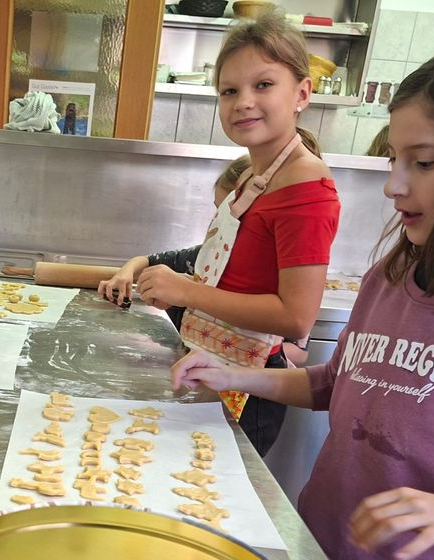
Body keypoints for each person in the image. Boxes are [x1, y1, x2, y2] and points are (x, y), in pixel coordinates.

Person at [170, 52, 434, 560]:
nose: (393, 185)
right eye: (392, 162)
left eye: (424, 162)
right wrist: (235, 376)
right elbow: (335, 382)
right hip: (327, 556)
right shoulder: (391, 275)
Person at [101, 13, 340, 455]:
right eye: (229, 91)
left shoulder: (308, 188)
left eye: (263, 85)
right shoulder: (254, 177)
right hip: (207, 365)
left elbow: (295, 318)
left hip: (246, 391)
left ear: (302, 93)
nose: (243, 101)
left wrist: (188, 292)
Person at [105, 151, 313, 368]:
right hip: (207, 373)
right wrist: (135, 275)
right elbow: (151, 262)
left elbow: (297, 345)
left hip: (254, 384)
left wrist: (188, 294)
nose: (219, 223)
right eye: (218, 212)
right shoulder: (209, 256)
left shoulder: (283, 277)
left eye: (231, 218)